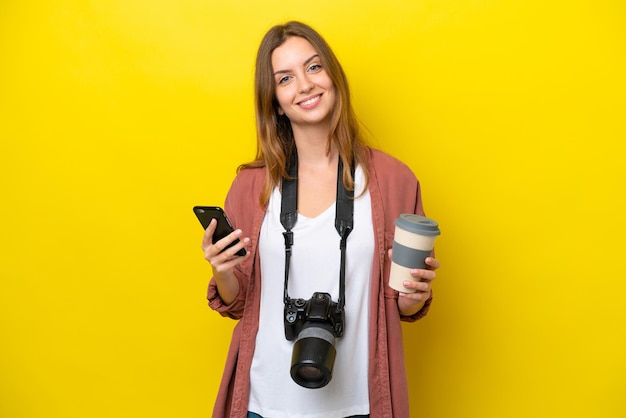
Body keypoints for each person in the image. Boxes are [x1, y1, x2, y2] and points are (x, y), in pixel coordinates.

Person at [201, 21, 440, 418]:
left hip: (359, 404)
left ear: (334, 76)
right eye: (285, 78)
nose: (305, 85)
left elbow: (402, 304)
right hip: (264, 403)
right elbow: (238, 301)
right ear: (275, 100)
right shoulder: (250, 187)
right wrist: (222, 271)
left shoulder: (395, 181)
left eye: (314, 68)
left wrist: (414, 295)